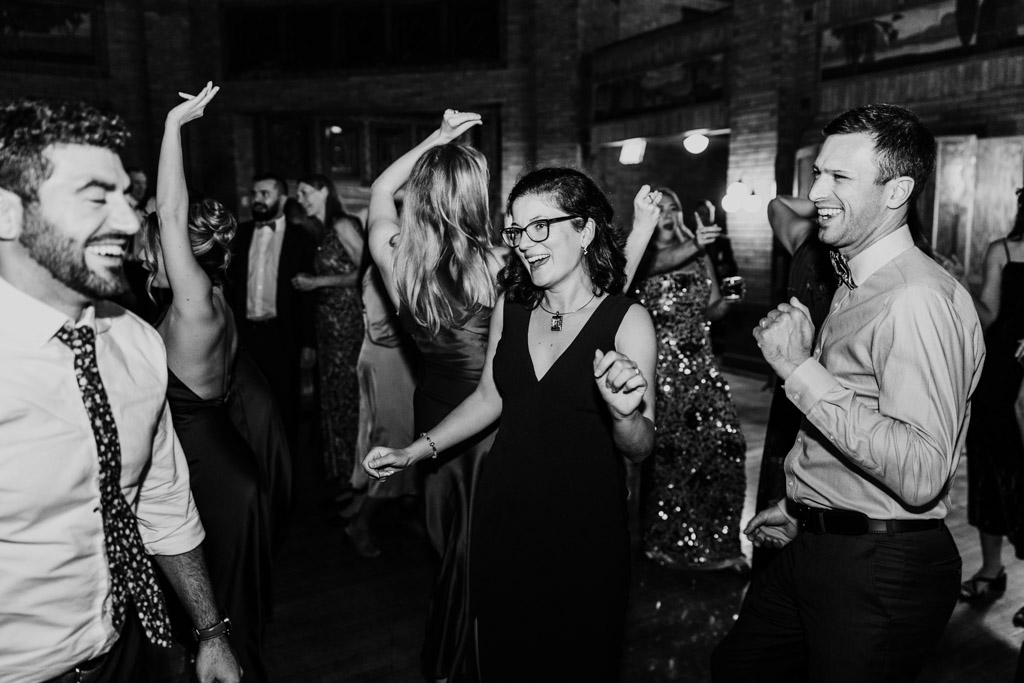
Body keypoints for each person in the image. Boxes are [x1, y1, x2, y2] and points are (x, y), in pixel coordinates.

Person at [711, 103, 985, 682]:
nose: (817, 192)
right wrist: (804, 509)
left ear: (897, 190)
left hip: (880, 569)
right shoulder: (855, 279)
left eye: (839, 177)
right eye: (818, 173)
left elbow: (920, 470)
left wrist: (797, 368)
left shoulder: (915, 300)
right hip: (819, 544)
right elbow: (859, 414)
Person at [365, 166, 659, 682]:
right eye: (517, 231)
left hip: (583, 529)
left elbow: (639, 449)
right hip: (504, 515)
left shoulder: (627, 320)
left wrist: (624, 413)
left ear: (586, 230)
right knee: (504, 656)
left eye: (541, 226)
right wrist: (414, 451)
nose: (526, 243)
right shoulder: (513, 305)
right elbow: (489, 397)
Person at [0, 97, 240, 682]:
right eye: (94, 196)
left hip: (129, 651)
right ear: (7, 214)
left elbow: (163, 502)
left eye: (127, 197)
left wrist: (211, 633)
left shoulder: (135, 343)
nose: (132, 222)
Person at [363, 109, 504, 681]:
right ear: (475, 200)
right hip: (490, 418)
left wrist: (435, 140)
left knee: (453, 542)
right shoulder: (501, 266)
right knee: (487, 549)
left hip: (436, 412)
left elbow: (378, 189)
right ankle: (474, 656)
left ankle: (450, 657)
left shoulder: (396, 257)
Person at [141, 83, 270, 682]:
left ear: (186, 255)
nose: (149, 257)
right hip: (223, 459)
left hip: (207, 469)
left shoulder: (193, 304)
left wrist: (173, 126)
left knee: (215, 617)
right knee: (223, 607)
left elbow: (170, 210)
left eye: (158, 250)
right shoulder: (217, 297)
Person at [630, 187, 748, 572]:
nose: (667, 212)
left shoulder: (698, 254)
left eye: (673, 206)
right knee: (669, 457)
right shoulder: (641, 257)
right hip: (656, 370)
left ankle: (717, 543)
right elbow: (657, 265)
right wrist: (697, 243)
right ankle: (665, 541)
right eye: (659, 207)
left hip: (700, 366)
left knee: (724, 444)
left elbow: (711, 305)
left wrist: (729, 301)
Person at [752, 196, 837, 574]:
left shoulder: (805, 235)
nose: (820, 189)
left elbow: (778, 204)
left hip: (812, 391)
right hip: (816, 387)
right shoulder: (810, 239)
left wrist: (821, 203)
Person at [959, 188, 1024, 618]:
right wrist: (961, 281)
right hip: (999, 378)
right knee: (990, 469)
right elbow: (989, 317)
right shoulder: (1001, 250)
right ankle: (991, 569)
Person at [228, 170, 317, 456]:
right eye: (255, 194)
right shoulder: (238, 235)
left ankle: (285, 466)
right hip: (245, 336)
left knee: (285, 407)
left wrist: (307, 343)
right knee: (245, 405)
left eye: (264, 194)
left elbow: (307, 297)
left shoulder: (300, 238)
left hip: (283, 334)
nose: (257, 200)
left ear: (281, 197)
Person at [292, 174, 365, 496]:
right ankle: (341, 474)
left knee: (347, 395)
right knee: (333, 395)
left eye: (306, 191)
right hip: (327, 322)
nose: (301, 198)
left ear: (324, 191)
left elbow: (367, 271)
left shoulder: (342, 224)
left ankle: (357, 475)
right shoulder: (320, 231)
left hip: (346, 321)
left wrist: (317, 283)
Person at [341, 262, 419, 558]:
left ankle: (400, 510)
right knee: (393, 441)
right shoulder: (380, 269)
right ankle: (360, 523)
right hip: (388, 361)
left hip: (399, 362)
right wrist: (430, 334)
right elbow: (379, 328)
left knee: (396, 435)